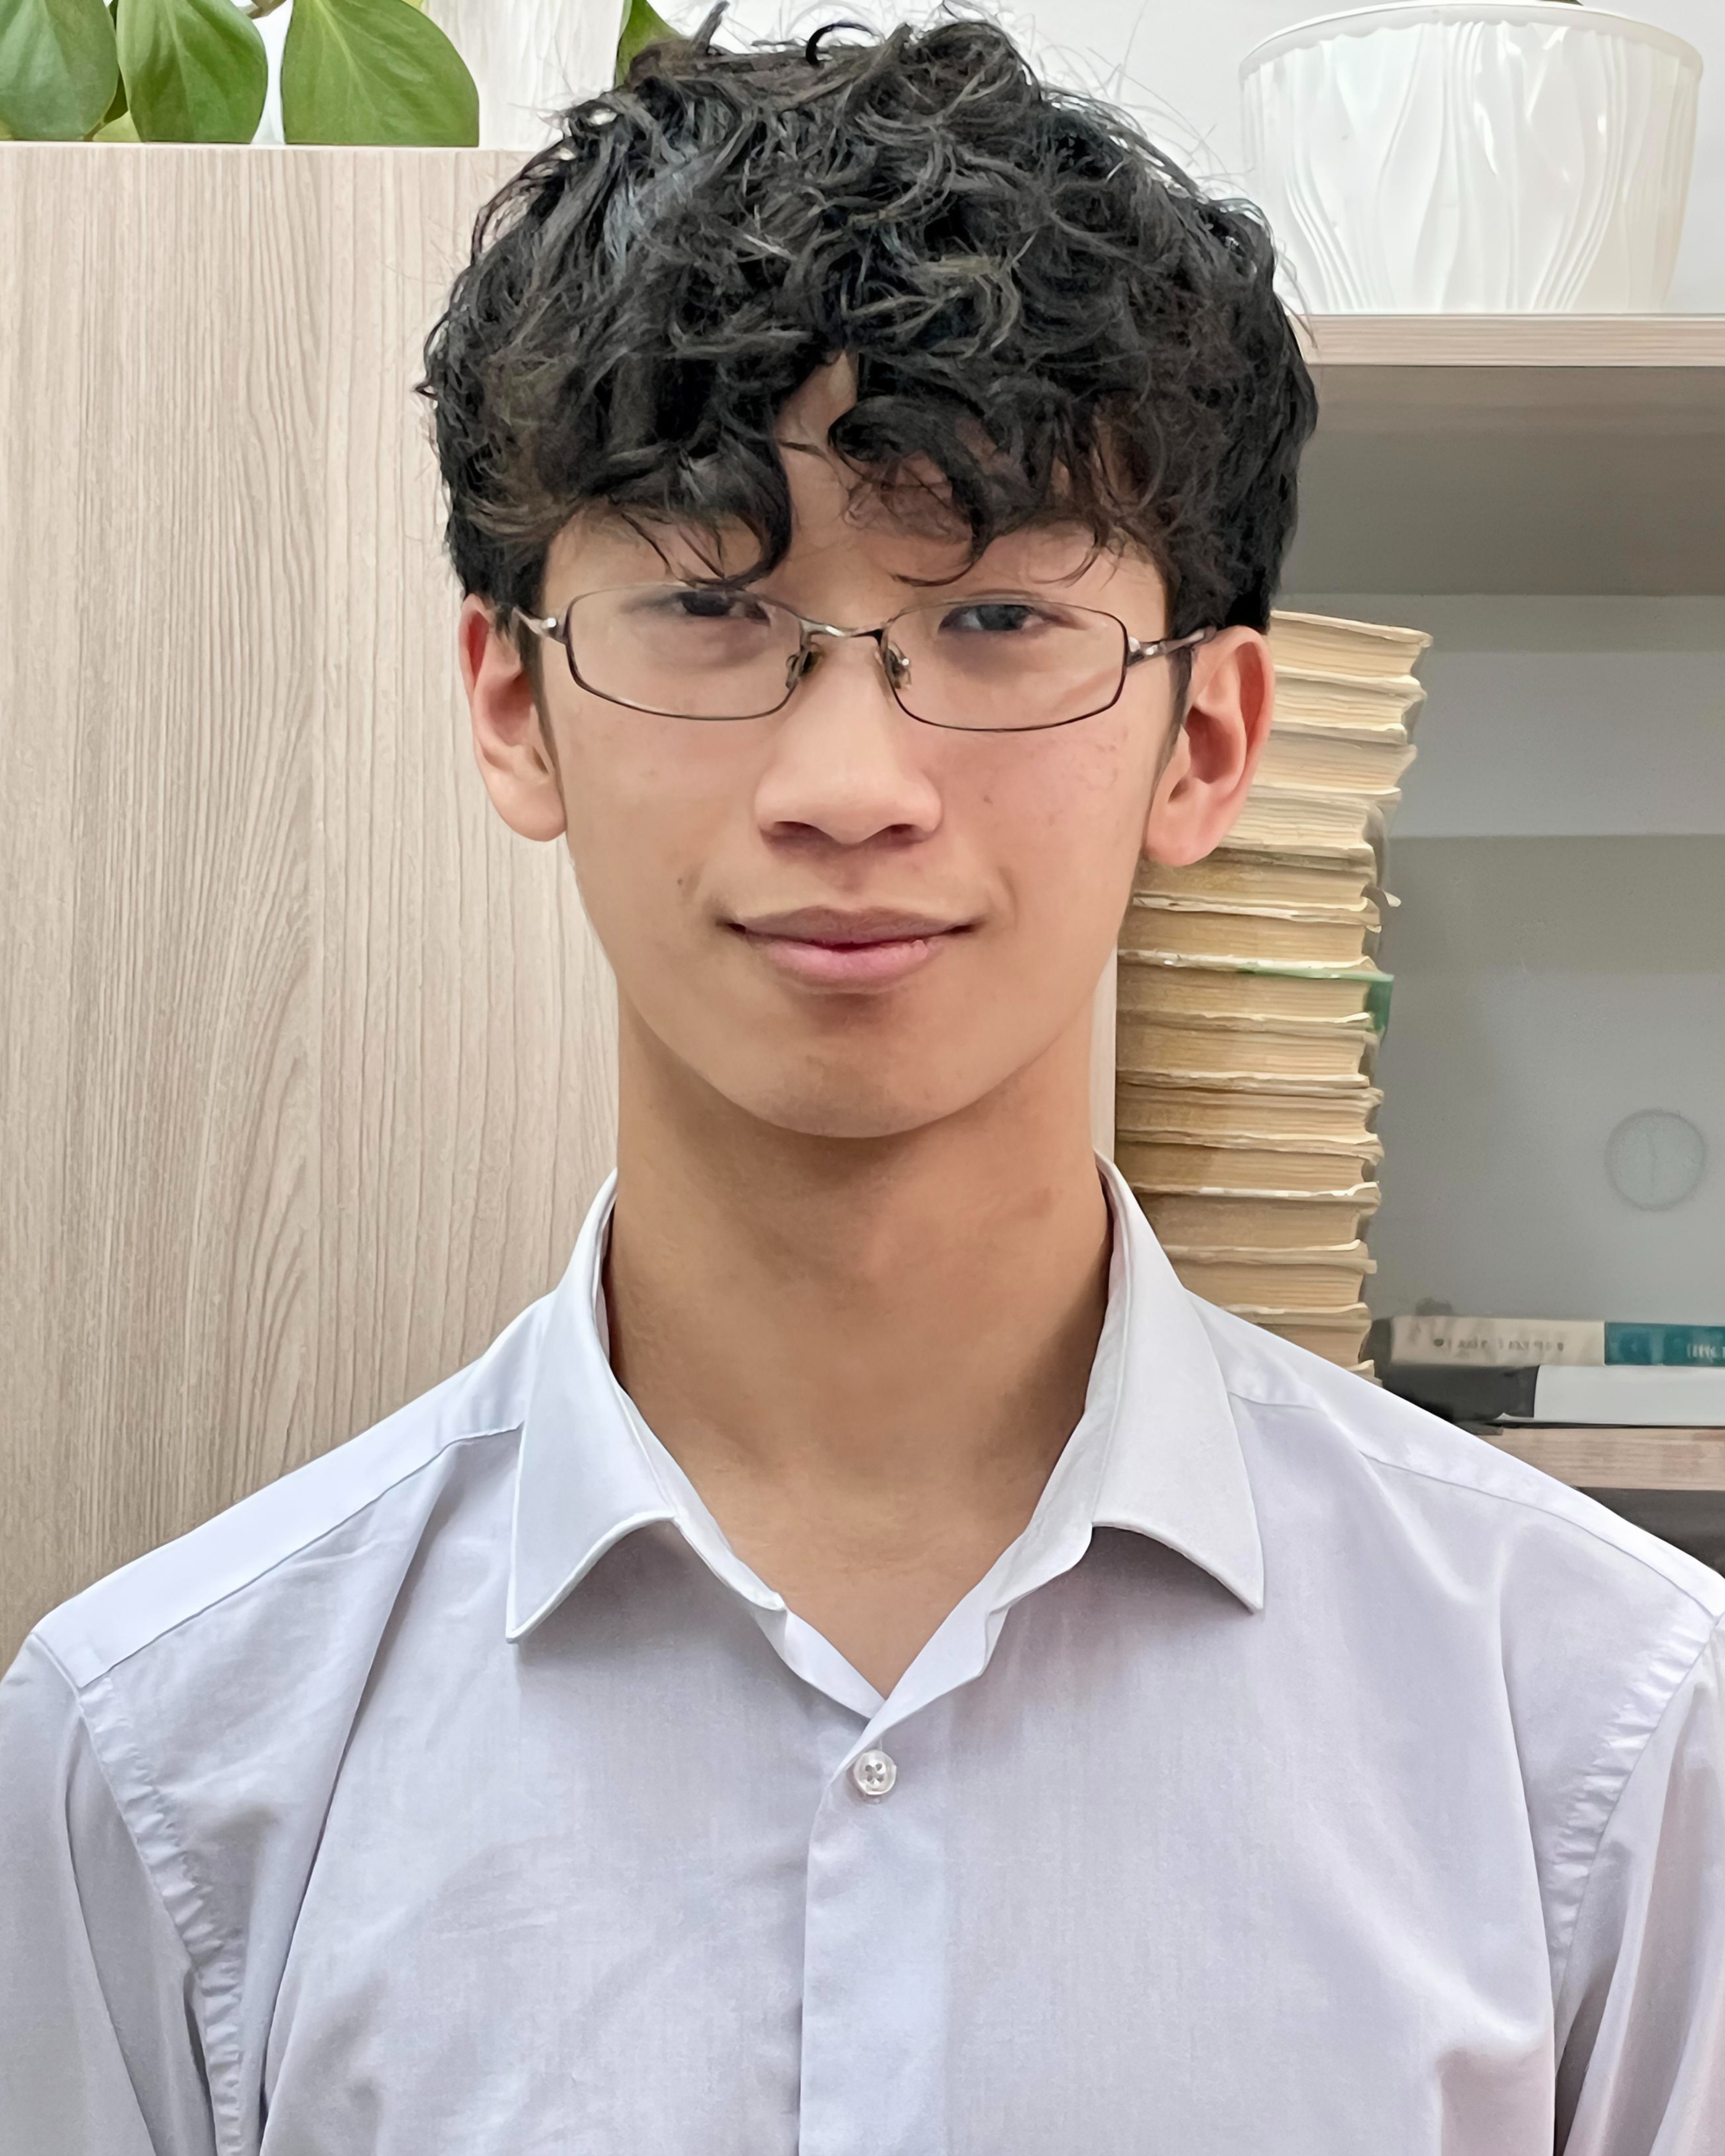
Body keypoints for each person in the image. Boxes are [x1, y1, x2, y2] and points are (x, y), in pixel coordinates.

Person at [2, 10, 1721, 2151]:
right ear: (515, 707)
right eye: (709, 608)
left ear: (1204, 741)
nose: (847, 781)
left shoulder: (1602, 1736)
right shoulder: (165, 1761)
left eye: (994, 623)